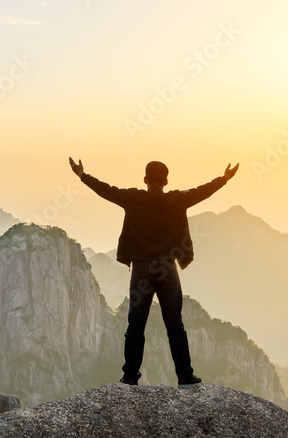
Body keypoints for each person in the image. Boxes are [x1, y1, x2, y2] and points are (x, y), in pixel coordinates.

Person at [68, 158, 239, 388]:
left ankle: (130, 377)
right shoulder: (177, 199)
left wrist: (82, 174)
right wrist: (224, 178)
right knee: (175, 325)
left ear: (145, 180)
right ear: (166, 181)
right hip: (168, 269)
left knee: (135, 326)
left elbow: (106, 191)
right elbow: (202, 192)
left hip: (141, 271)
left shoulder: (133, 197)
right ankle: (185, 375)